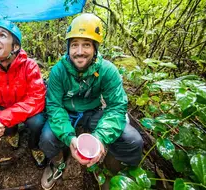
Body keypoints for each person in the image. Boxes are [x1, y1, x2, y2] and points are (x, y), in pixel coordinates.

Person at [39, 13, 143, 189]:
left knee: (133, 140)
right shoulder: (58, 71)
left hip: (91, 112)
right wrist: (69, 137)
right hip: (65, 112)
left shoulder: (107, 70)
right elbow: (54, 106)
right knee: (47, 137)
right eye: (74, 45)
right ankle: (56, 163)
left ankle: (111, 172)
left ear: (95, 48)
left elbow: (117, 106)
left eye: (86, 44)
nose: (79, 51)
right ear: (68, 48)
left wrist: (100, 137)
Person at [0, 20, 47, 168]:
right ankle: (12, 133)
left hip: (25, 109)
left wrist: (2, 119)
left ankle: (34, 146)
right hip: (3, 107)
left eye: (2, 35)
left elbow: (36, 99)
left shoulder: (29, 66)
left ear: (15, 46)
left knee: (38, 122)